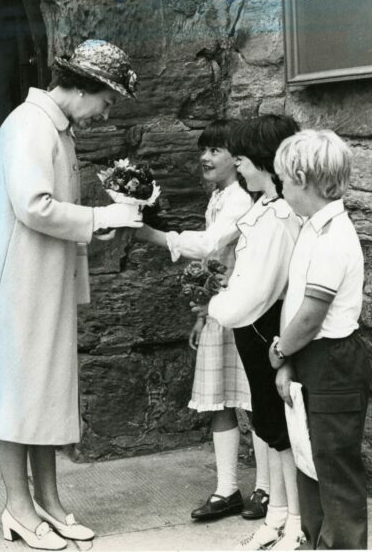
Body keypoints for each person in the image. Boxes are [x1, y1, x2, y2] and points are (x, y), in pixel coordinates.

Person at [0, 39, 142, 550]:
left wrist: (90, 228)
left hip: (36, 280)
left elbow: (53, 211)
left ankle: (49, 501)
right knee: (18, 395)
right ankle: (18, 509)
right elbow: (34, 206)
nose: (103, 115)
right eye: (106, 102)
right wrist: (99, 217)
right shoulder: (29, 124)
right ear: (86, 87)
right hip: (11, 283)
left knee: (43, 389)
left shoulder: (55, 128)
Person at [136, 119, 272, 522]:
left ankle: (265, 487)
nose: (205, 156)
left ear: (240, 158)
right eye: (204, 149)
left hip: (245, 308)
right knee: (220, 398)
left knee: (252, 399)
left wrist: (157, 237)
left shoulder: (242, 200)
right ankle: (227, 489)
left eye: (215, 150)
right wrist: (202, 312)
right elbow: (214, 263)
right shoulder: (219, 196)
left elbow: (214, 245)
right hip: (220, 308)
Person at [201, 115, 305, 550]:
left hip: (264, 328)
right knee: (266, 422)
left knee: (282, 430)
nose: (237, 168)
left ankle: (296, 521)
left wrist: (213, 306)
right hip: (251, 330)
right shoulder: (263, 208)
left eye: (241, 159)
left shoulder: (279, 216)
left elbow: (258, 289)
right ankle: (277, 514)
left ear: (263, 162)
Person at [270, 130, 370, 550]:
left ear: (304, 179)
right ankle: (315, 541)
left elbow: (311, 315)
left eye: (284, 181)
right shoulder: (312, 229)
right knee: (309, 461)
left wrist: (280, 350)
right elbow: (298, 307)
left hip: (332, 361)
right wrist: (292, 362)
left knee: (334, 468)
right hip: (310, 358)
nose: (281, 189)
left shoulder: (334, 237)